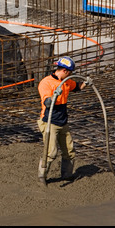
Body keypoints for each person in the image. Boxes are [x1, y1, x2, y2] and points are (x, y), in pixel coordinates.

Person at [37, 56, 86, 185]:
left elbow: (77, 87)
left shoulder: (66, 81)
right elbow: (47, 102)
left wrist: (86, 83)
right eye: (70, 73)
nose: (70, 76)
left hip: (63, 121)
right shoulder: (46, 83)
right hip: (49, 122)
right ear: (64, 71)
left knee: (69, 150)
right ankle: (42, 177)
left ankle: (67, 175)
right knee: (51, 152)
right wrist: (55, 95)